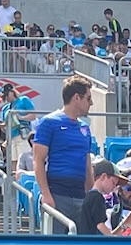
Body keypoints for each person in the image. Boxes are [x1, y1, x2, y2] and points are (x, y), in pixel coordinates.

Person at [30, 74, 94, 222]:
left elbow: (87, 163)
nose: (91, 103)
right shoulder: (49, 122)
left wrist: (90, 194)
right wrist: (46, 194)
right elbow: (38, 160)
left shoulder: (85, 128)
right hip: (57, 195)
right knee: (55, 244)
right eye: (88, 98)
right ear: (77, 98)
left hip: (80, 197)